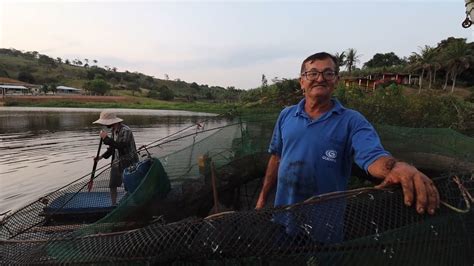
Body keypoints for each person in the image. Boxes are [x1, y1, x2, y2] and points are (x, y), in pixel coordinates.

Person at [255, 52, 440, 218]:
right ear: (302, 81)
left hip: (324, 221)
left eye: (328, 73)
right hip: (283, 214)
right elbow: (277, 158)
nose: (320, 78)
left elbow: (372, 155)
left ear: (336, 80)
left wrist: (395, 168)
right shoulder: (286, 115)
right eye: (312, 73)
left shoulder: (352, 121)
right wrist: (263, 197)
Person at [93, 110, 139, 205]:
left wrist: (106, 138)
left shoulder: (126, 130)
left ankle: (131, 203)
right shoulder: (114, 130)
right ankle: (113, 204)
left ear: (114, 121)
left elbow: (121, 146)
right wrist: (101, 157)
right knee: (112, 184)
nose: (105, 125)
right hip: (117, 161)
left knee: (128, 184)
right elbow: (113, 147)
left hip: (128, 161)